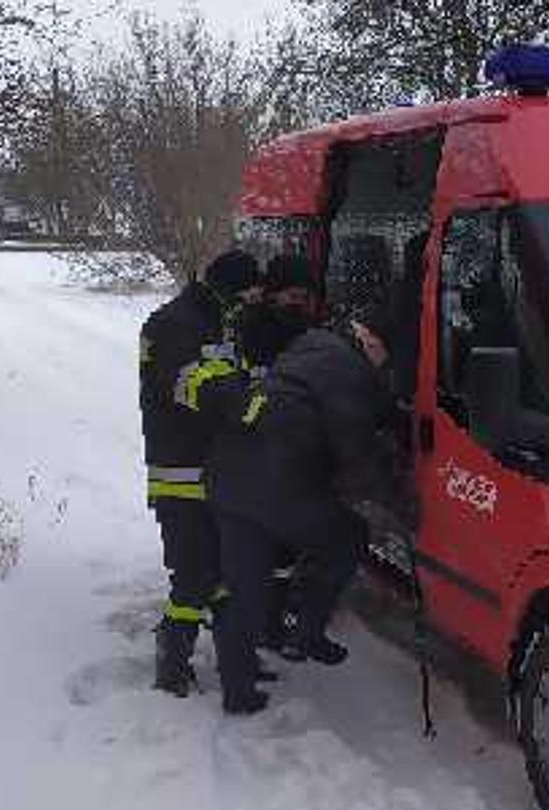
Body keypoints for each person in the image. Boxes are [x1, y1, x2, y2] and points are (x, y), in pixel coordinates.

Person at [206, 303, 403, 715]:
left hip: (229, 471)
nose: (386, 366)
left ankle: (238, 687)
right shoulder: (349, 371)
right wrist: (400, 500)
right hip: (274, 482)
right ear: (370, 339)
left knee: (245, 584)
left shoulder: (312, 346)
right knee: (346, 537)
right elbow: (356, 452)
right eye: (387, 354)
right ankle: (306, 631)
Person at [138, 249, 262, 697]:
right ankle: (171, 659)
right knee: (193, 575)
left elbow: (235, 373)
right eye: (249, 290)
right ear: (231, 287)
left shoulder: (220, 319)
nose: (254, 299)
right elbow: (189, 384)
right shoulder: (173, 324)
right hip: (180, 471)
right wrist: (244, 401)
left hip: (218, 468)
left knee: (227, 572)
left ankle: (237, 664)